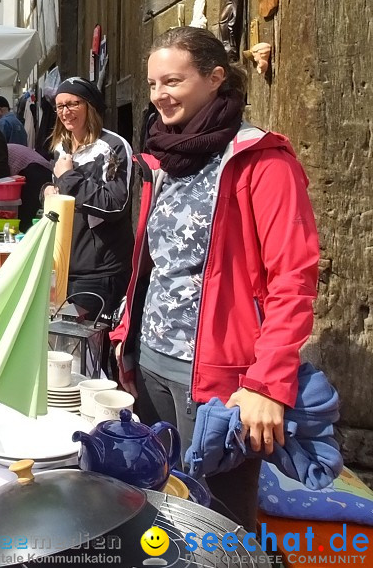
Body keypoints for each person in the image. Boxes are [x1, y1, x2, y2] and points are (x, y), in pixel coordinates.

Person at [111, 27, 318, 531]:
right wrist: (125, 338)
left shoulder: (260, 159)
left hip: (221, 380)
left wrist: (268, 384)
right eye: (154, 82)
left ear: (215, 78)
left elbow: (292, 277)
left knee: (219, 526)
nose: (160, 94)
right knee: (164, 510)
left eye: (174, 81)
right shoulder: (163, 157)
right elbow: (152, 261)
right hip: (154, 364)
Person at [41, 77, 133, 326]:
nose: (65, 112)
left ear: (90, 106)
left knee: (90, 347)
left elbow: (114, 205)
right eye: (60, 106)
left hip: (100, 272)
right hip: (64, 266)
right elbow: (62, 190)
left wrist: (69, 177)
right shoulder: (62, 146)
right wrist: (48, 190)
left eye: (73, 104)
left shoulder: (113, 147)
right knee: (65, 343)